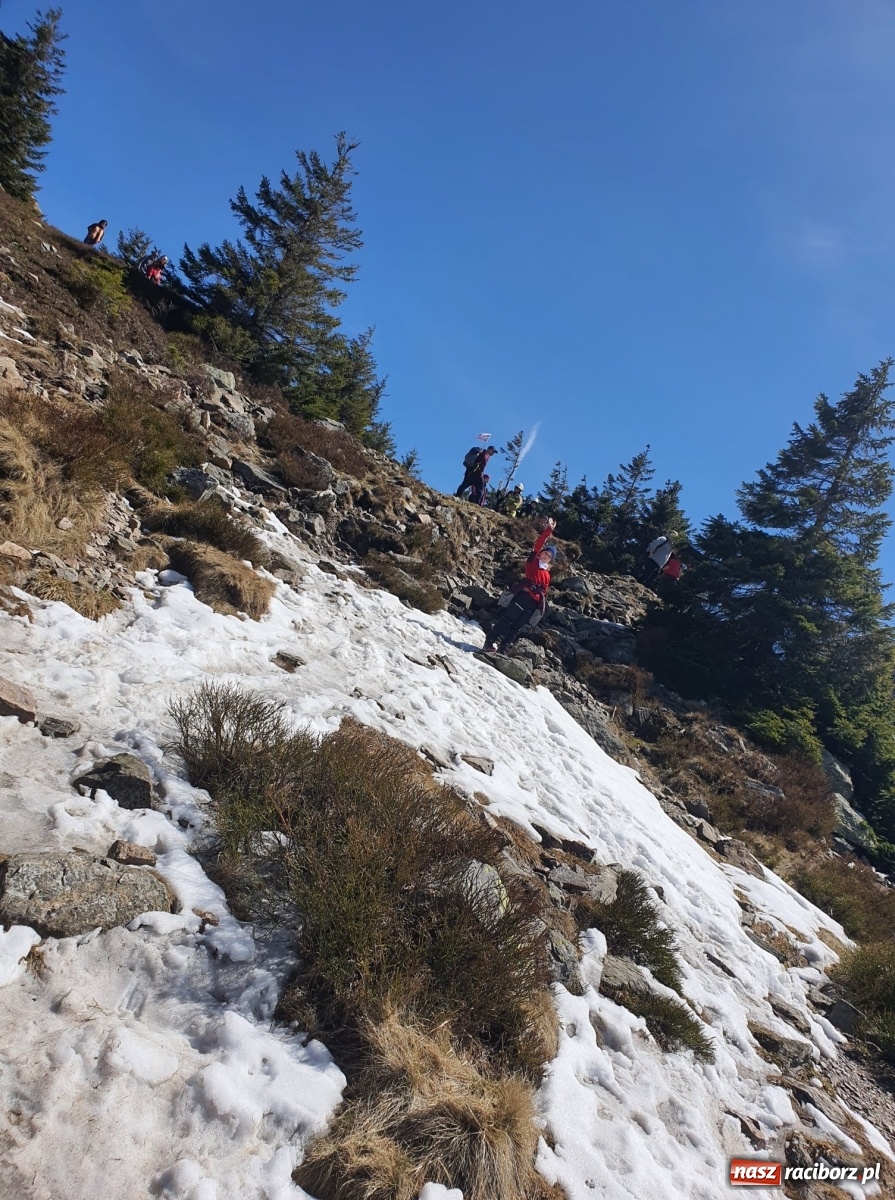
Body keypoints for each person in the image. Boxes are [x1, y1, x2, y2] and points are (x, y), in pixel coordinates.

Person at [486, 518, 557, 654]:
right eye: (545, 553)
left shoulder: (547, 574)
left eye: (549, 556)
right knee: (508, 619)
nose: (546, 556)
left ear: (550, 559)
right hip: (523, 595)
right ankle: (490, 640)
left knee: (516, 626)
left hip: (533, 603)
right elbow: (538, 545)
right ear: (541, 553)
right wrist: (548, 531)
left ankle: (504, 649)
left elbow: (545, 589)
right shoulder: (533, 562)